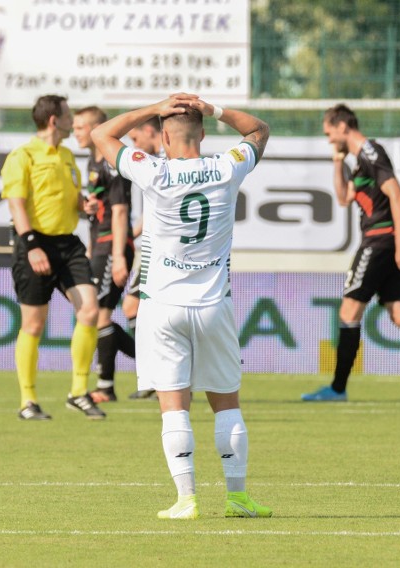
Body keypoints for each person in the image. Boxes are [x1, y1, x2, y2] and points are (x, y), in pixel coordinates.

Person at [91, 93, 272, 519]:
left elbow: (102, 133)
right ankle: (238, 498)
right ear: (204, 134)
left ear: (164, 141)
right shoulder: (226, 167)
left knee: (174, 407)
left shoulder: (152, 170)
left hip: (161, 307)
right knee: (227, 403)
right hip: (213, 305)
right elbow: (259, 130)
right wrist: (214, 108)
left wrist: (155, 108)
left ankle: (186, 500)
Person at [300, 104, 400, 403]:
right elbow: (344, 198)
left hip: (379, 241)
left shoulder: (371, 152)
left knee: (349, 311)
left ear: (343, 126)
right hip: (384, 242)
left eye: (330, 133)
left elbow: (396, 193)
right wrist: (336, 161)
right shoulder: (359, 161)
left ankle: (338, 388)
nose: (330, 139)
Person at [0, 94, 104, 420]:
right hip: (34, 243)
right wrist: (31, 245)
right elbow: (16, 203)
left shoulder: (68, 155)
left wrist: (82, 204)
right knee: (33, 322)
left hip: (68, 245)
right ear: (53, 120)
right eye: (69, 115)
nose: (73, 121)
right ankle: (27, 401)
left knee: (89, 309)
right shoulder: (23, 155)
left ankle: (78, 392)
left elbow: (71, 197)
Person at [72, 106, 136, 404]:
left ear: (98, 127)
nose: (76, 132)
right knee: (97, 314)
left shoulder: (114, 160)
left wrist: (119, 256)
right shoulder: (91, 160)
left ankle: (107, 386)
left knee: (99, 314)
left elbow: (121, 211)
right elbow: (101, 207)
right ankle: (152, 365)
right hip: (100, 244)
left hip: (113, 245)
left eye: (81, 127)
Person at [123, 116, 164, 400]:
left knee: (131, 308)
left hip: (157, 250)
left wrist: (127, 235)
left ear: (151, 131)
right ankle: (160, 376)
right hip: (161, 249)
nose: (135, 145)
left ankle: (155, 376)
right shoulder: (173, 158)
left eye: (136, 138)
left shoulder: (159, 163)